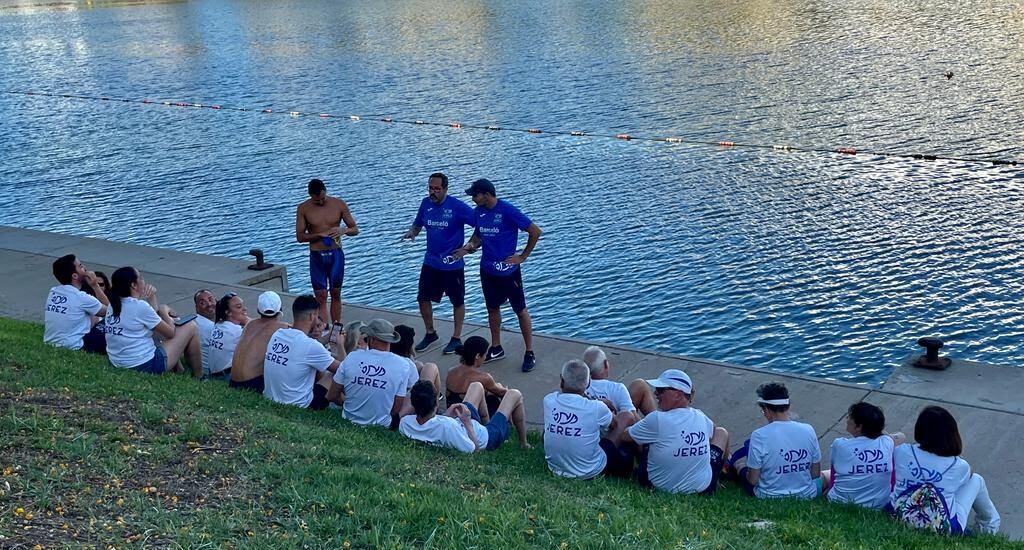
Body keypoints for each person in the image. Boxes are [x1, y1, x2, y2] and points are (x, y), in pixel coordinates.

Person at [453, 178, 542, 372]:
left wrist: (522, 256)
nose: (473, 199)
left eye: (475, 195)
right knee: (492, 308)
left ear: (486, 194)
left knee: (520, 310)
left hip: (509, 272)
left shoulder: (507, 210)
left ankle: (529, 352)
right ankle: (496, 347)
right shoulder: (479, 212)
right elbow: (478, 235)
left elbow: (535, 231)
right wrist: (470, 246)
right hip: (487, 271)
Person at [891, 406, 1000, 534]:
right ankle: (988, 528)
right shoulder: (959, 466)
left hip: (899, 513)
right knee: (976, 480)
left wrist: (899, 436)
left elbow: (895, 439)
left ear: (919, 429)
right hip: (941, 526)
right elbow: (969, 473)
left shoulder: (902, 451)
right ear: (952, 434)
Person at [400, 172, 476, 355]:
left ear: (445, 190)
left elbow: (480, 226)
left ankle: (456, 338)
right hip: (431, 262)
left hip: (452, 264)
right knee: (423, 298)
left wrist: (467, 248)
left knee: (457, 301)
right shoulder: (426, 204)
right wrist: (413, 232)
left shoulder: (457, 207)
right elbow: (418, 224)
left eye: (437, 189)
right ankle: (430, 333)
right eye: (430, 188)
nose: (432, 192)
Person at [622, 369, 729, 495]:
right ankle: (722, 471)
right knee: (722, 432)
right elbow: (713, 433)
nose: (656, 393)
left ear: (678, 394)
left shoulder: (656, 419)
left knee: (643, 437)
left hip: (657, 486)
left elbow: (625, 436)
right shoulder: (700, 416)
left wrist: (632, 418)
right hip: (704, 488)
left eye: (661, 390)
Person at [543, 360, 636, 480]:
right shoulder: (596, 407)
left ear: (561, 380)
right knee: (627, 416)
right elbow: (614, 424)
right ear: (588, 384)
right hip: (591, 471)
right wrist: (600, 404)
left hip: (556, 468)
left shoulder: (549, 400)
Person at [104, 267, 202, 377]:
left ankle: (180, 369)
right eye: (140, 277)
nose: (144, 280)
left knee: (163, 326)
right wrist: (164, 311)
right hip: (145, 365)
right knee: (191, 326)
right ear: (133, 285)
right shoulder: (139, 306)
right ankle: (199, 376)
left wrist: (152, 298)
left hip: (118, 362)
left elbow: (153, 321)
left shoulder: (113, 305)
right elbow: (170, 333)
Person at [729, 382, 821, 499]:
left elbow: (753, 480)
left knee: (740, 466)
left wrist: (741, 469)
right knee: (825, 476)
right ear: (788, 406)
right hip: (806, 494)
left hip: (769, 496)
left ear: (767, 409)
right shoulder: (808, 430)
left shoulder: (759, 435)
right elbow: (815, 474)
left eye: (763, 411)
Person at [328, 319, 416, 428]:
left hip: (348, 417)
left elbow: (332, 395)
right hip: (383, 424)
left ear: (372, 339)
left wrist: (348, 404)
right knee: (414, 393)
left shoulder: (352, 357)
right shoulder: (403, 365)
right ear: (390, 341)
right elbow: (395, 409)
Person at [400, 380, 528, 452]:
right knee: (514, 394)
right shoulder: (448, 427)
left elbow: (431, 428)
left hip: (458, 422)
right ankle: (524, 443)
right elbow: (475, 449)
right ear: (436, 403)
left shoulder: (405, 423)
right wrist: (467, 422)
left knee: (476, 386)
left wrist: (446, 415)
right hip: (485, 437)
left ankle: (488, 421)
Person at [296, 178, 358, 325]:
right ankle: (323, 327)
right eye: (317, 201)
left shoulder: (338, 204)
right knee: (321, 295)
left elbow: (355, 229)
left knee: (336, 292)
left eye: (323, 198)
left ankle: (336, 328)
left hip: (336, 254)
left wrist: (343, 230)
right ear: (311, 196)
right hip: (317, 255)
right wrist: (318, 235)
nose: (321, 202)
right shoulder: (303, 208)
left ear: (326, 191)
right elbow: (299, 236)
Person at [262, 295, 339, 410]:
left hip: (270, 398)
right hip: (299, 406)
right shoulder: (310, 345)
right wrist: (343, 346)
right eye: (317, 316)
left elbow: (302, 349)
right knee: (334, 375)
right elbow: (342, 369)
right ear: (312, 316)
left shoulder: (278, 334)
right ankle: (347, 406)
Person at [822, 402, 904, 509]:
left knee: (825, 475)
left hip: (839, 502)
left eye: (850, 417)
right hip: (878, 505)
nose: (847, 418)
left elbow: (834, 474)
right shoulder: (886, 442)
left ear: (859, 427)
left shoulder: (840, 445)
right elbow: (901, 436)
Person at [44, 254, 109, 352]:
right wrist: (95, 286)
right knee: (111, 322)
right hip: (75, 346)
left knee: (93, 314)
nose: (85, 269)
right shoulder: (81, 297)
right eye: (81, 266)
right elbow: (111, 311)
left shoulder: (53, 291)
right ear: (75, 276)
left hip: (51, 342)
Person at [230, 291, 288, 393]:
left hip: (233, 382)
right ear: (280, 309)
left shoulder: (249, 324)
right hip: (252, 384)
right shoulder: (283, 328)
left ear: (258, 310)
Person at [446, 336, 510, 421]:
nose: (485, 357)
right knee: (497, 394)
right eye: (485, 354)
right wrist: (504, 389)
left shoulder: (451, 371)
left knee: (489, 391)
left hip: (452, 415)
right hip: (468, 419)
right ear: (477, 356)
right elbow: (502, 393)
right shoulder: (484, 378)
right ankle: (510, 426)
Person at [582, 346, 638, 418]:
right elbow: (631, 417)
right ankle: (654, 421)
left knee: (639, 384)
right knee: (640, 385)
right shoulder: (618, 388)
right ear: (605, 364)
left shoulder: (580, 388)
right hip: (614, 426)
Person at [205, 292, 250, 380]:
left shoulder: (218, 325)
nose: (245, 309)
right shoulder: (236, 331)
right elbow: (260, 328)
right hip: (227, 377)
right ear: (228, 313)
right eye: (239, 307)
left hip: (213, 375)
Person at [393, 325, 442, 403]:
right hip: (407, 403)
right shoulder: (406, 364)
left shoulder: (388, 358)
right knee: (431, 367)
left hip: (394, 396)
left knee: (419, 365)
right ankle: (434, 403)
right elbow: (416, 389)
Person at [194, 289, 216, 370]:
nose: (209, 304)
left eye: (210, 300)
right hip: (213, 374)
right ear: (197, 308)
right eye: (203, 303)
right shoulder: (209, 327)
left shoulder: (196, 321)